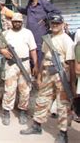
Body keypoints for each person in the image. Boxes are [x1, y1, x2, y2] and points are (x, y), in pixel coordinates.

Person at [21, 15, 75, 143]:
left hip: (61, 75)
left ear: (62, 24)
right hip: (47, 73)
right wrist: (39, 76)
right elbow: (44, 57)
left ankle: (63, 133)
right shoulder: (48, 38)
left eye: (57, 23)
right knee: (42, 99)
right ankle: (36, 125)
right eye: (53, 23)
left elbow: (71, 63)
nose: (55, 25)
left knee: (63, 105)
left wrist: (72, 83)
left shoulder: (67, 40)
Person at [0, 13, 38, 126]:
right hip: (11, 65)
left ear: (22, 22)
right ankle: (6, 112)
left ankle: (23, 112)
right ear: (12, 22)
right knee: (9, 89)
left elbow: (33, 50)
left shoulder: (28, 33)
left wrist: (35, 65)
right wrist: (3, 51)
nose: (17, 23)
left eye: (19, 21)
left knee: (25, 90)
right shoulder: (6, 33)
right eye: (15, 21)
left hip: (25, 64)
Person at [13, 0, 61, 66]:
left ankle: (39, 75)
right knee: (31, 55)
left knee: (40, 56)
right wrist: (17, 7)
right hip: (30, 34)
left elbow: (56, 12)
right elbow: (27, 12)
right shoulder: (30, 3)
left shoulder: (43, 3)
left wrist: (46, 18)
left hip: (40, 35)